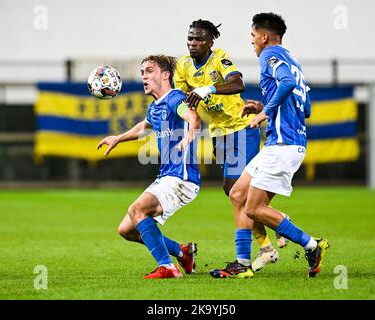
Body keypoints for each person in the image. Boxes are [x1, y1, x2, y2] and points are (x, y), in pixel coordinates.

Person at [210, 13, 329, 278]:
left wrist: (266, 112)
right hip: (280, 144)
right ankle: (241, 263)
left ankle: (312, 245)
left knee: (254, 209)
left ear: (263, 37)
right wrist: (263, 107)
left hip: (284, 146)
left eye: (253, 37)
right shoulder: (292, 60)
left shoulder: (269, 54)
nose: (252, 42)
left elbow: (285, 84)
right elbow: (304, 108)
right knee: (237, 195)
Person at [175, 19, 285, 272]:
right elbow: (182, 98)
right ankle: (269, 237)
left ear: (211, 41)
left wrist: (208, 88)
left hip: (240, 128)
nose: (193, 43)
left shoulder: (220, 59)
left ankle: (265, 243)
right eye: (190, 38)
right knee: (236, 193)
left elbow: (238, 84)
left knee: (235, 190)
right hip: (218, 133)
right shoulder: (183, 65)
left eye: (199, 38)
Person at [97, 55, 202, 279]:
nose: (144, 75)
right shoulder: (156, 106)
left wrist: (192, 130)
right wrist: (118, 138)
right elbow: (143, 127)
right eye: (142, 71)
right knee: (127, 230)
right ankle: (181, 252)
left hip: (181, 178)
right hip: (167, 176)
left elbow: (191, 115)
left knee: (137, 210)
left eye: (150, 71)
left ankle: (168, 267)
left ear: (166, 75)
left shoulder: (174, 98)